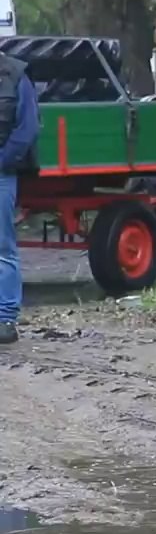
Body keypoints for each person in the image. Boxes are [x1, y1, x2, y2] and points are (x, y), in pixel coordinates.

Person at [0, 50, 40, 345]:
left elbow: (27, 128)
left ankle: (5, 319)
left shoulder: (16, 75)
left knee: (2, 248)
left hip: (2, 173)